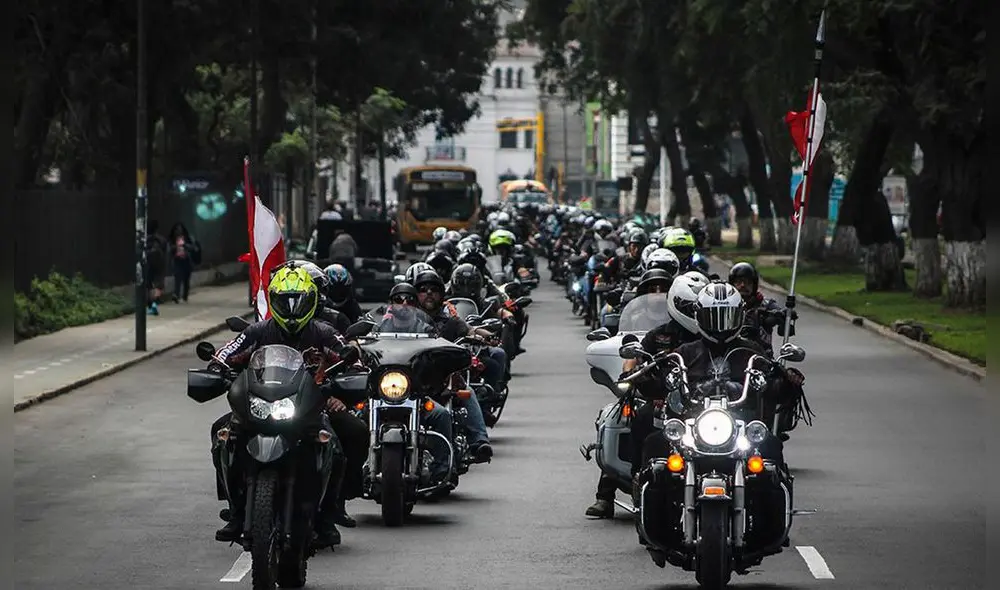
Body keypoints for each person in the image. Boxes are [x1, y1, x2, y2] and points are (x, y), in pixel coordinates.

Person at [208, 267, 368, 547]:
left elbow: (351, 359)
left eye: (298, 300)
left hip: (311, 405)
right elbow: (228, 351)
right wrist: (216, 366)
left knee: (346, 439)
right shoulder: (258, 331)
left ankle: (330, 512)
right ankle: (235, 510)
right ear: (273, 300)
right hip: (261, 403)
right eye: (284, 300)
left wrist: (342, 385)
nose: (292, 308)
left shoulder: (323, 332)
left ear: (312, 301)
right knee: (222, 433)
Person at [585, 271, 708, 519]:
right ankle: (624, 485)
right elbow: (635, 356)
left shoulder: (710, 335)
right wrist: (630, 371)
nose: (656, 294)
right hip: (661, 397)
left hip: (701, 403)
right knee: (633, 417)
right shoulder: (658, 333)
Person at [411, 270, 495, 463]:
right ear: (416, 295)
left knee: (466, 392)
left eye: (434, 289)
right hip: (412, 377)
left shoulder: (450, 322)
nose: (429, 293)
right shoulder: (406, 321)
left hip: (442, 377)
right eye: (423, 290)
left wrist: (486, 336)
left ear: (442, 294)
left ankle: (479, 440)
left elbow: (470, 330)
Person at [728, 262, 796, 353]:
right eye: (738, 282)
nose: (743, 285)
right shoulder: (726, 305)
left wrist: (783, 315)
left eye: (747, 282)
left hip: (761, 358)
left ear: (754, 285)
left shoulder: (765, 304)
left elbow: (776, 310)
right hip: (730, 356)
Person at [145, 220, 168, 315]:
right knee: (158, 284)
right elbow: (166, 250)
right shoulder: (161, 239)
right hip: (160, 263)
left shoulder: (144, 239)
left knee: (148, 284)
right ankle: (155, 302)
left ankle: (151, 305)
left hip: (148, 263)